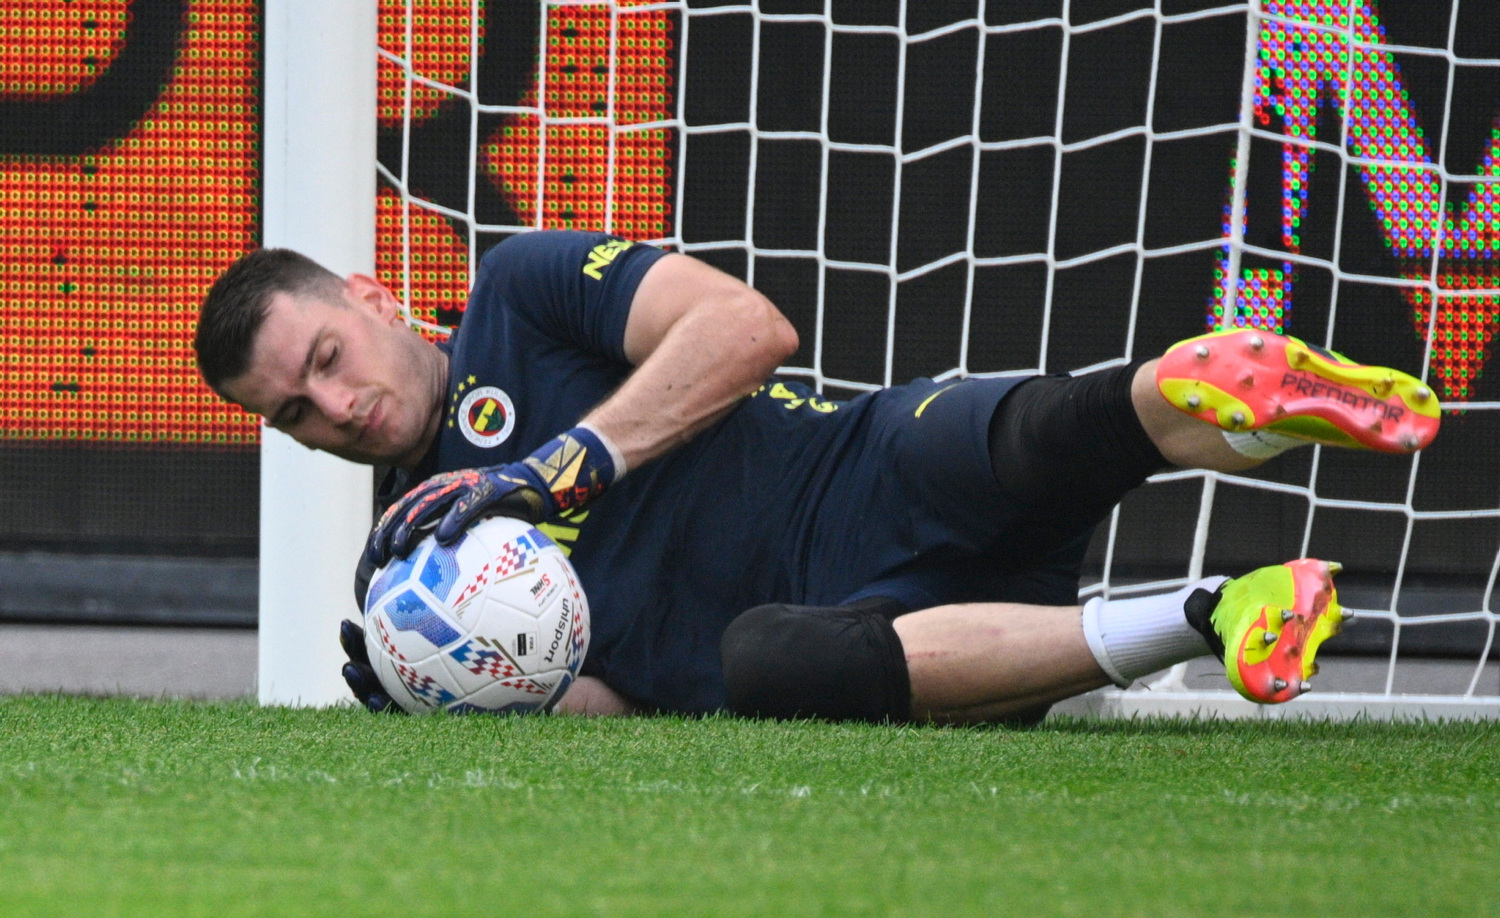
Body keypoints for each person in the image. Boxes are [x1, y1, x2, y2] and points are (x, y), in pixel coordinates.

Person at [194, 230, 1440, 722]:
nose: (338, 406)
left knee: (1045, 434)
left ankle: (1266, 400)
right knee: (773, 667)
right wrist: (452, 698)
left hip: (855, 469)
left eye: (326, 359)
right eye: (296, 413)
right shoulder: (417, 565)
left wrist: (565, 463)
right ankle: (1223, 611)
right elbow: (611, 718)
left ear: (368, 296)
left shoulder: (521, 290)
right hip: (854, 640)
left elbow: (748, 327)